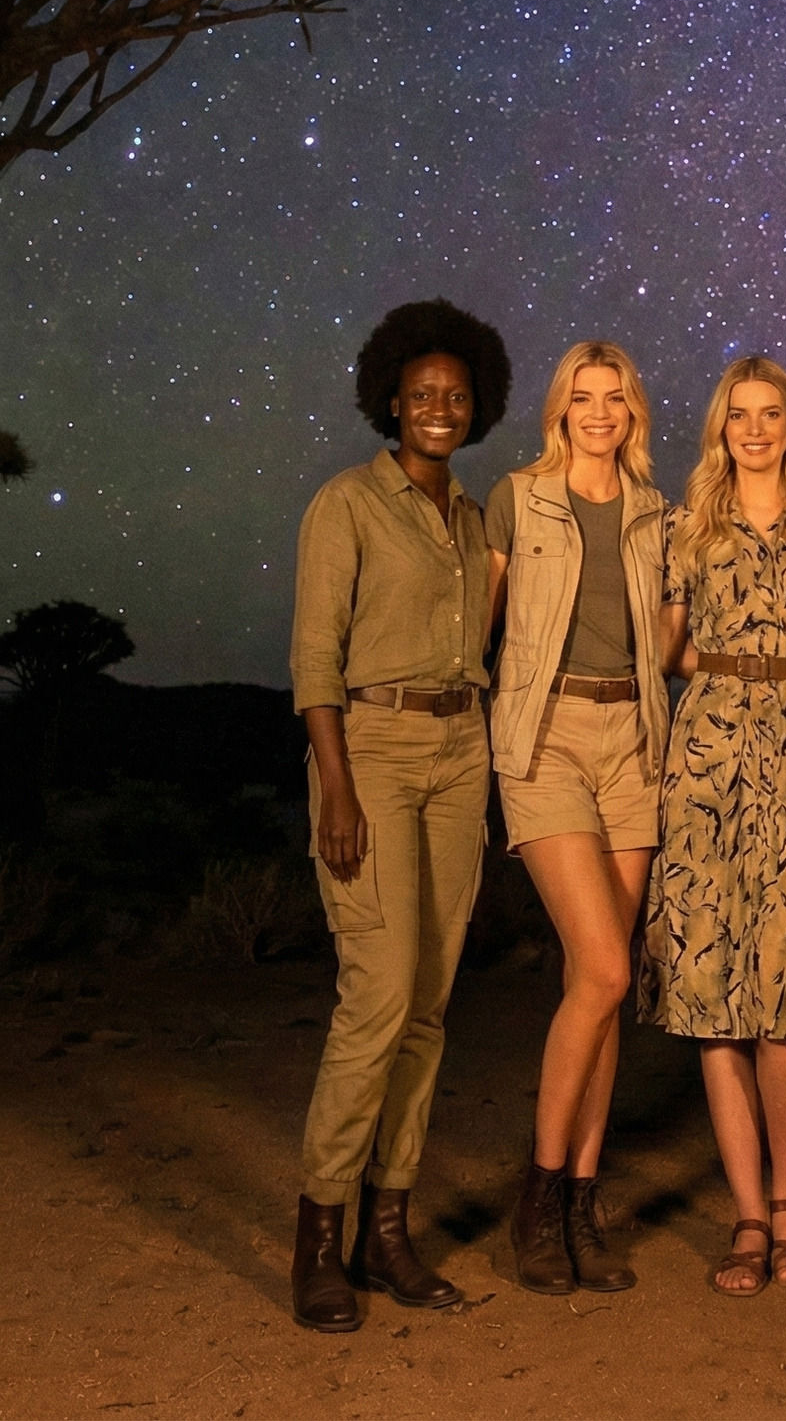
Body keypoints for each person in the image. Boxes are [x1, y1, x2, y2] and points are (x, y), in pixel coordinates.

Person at [288, 298, 510, 1333]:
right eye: (422, 393)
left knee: (427, 1001)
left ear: (478, 407)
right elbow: (315, 660)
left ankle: (390, 1231)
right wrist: (334, 784)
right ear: (390, 398)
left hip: (463, 751)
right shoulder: (347, 503)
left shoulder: (472, 520)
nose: (439, 407)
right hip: (370, 751)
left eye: (456, 395)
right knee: (375, 997)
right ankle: (320, 1236)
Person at [640, 355, 786, 1295]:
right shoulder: (686, 530)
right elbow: (666, 652)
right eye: (739, 414)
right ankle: (746, 1217)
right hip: (709, 761)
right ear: (720, 427)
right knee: (712, 991)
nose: (755, 429)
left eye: (771, 414)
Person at [485, 341, 668, 1294]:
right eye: (582, 396)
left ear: (633, 410)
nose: (599, 411)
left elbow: (670, 638)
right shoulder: (519, 497)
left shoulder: (653, 515)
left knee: (603, 982)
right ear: (560, 408)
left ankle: (584, 1205)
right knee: (601, 966)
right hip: (548, 736)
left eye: (615, 396)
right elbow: (479, 618)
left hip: (634, 745)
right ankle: (540, 1195)